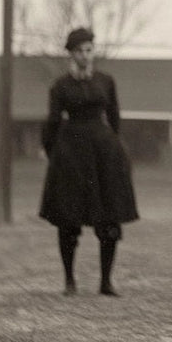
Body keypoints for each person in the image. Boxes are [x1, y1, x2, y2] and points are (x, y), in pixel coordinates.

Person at [39, 27, 138, 297]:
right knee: (68, 219)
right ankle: (69, 281)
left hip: (104, 155)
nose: (85, 56)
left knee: (109, 219)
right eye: (79, 51)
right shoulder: (60, 86)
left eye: (89, 50)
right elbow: (52, 122)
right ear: (71, 55)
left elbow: (114, 118)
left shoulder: (106, 81)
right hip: (71, 155)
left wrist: (114, 148)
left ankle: (106, 282)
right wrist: (53, 153)